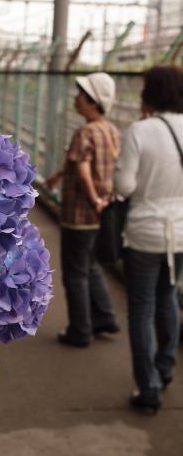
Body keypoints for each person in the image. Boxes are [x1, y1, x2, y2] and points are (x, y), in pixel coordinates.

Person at [114, 65, 183, 413]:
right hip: (181, 233)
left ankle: (149, 388)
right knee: (168, 295)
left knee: (141, 308)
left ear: (150, 92)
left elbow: (124, 186)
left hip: (144, 231)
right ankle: (166, 367)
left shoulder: (141, 130)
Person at [47, 72, 120, 347]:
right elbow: (80, 163)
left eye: (81, 94)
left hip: (80, 213)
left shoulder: (85, 132)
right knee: (92, 266)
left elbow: (82, 167)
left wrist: (92, 198)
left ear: (92, 101)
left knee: (75, 273)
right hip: (102, 215)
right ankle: (105, 316)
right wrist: (56, 177)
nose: (76, 98)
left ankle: (80, 330)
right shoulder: (110, 130)